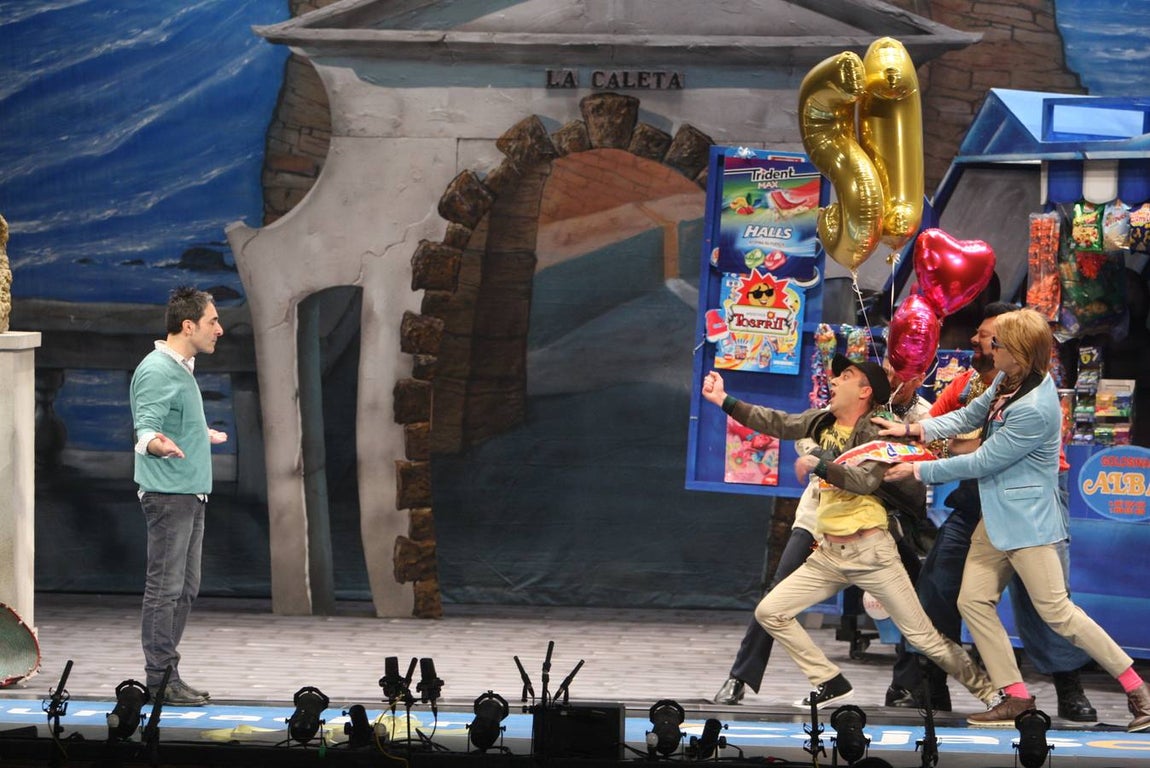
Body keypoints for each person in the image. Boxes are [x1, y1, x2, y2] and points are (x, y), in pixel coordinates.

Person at [878, 309, 1150, 731]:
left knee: (1057, 612)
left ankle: (1138, 689)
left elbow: (984, 459)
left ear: (1018, 352)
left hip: (1028, 523)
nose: (990, 346)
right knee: (972, 600)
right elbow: (968, 418)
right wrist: (914, 432)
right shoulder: (1007, 383)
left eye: (998, 342)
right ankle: (1016, 696)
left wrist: (916, 469)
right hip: (998, 516)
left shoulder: (1036, 406)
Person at [703, 356, 996, 710]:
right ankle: (829, 681)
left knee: (924, 636)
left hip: (871, 552)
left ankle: (990, 693)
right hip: (828, 554)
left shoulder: (876, 430)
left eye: (846, 376)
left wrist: (820, 464)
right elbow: (777, 422)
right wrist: (724, 400)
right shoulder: (823, 420)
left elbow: (864, 480)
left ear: (864, 391)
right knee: (771, 611)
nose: (835, 380)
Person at [130, 287, 226, 707]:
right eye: (212, 322)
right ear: (188, 326)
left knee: (185, 590)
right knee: (164, 590)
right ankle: (158, 679)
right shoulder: (156, 369)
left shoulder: (181, 367)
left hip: (190, 492)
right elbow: (146, 427)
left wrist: (196, 436)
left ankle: (168, 672)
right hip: (169, 496)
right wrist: (157, 445)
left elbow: (171, 419)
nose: (219, 330)